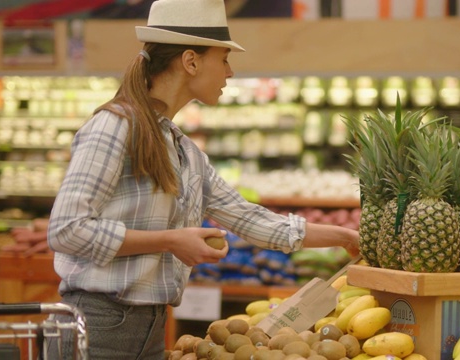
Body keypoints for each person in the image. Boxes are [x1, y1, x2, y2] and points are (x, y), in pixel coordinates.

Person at [45, 0, 359, 358]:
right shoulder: (114, 127)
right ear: (191, 61)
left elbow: (253, 220)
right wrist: (171, 241)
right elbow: (67, 229)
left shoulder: (183, 151)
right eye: (223, 59)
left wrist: (344, 237)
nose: (230, 72)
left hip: (148, 326)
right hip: (97, 324)